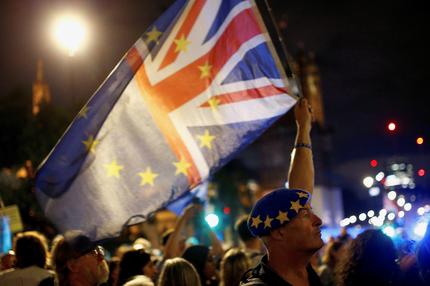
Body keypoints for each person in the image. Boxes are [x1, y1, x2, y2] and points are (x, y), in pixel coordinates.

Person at [240, 98, 324, 286]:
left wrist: (304, 128)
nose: (318, 220)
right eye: (305, 214)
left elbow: (300, 191)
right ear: (278, 233)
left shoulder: (306, 276)